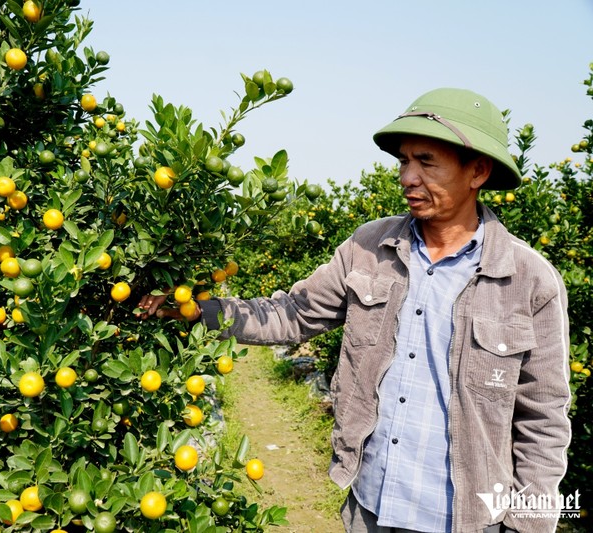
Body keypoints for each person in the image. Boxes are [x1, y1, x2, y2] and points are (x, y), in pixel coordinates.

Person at [139, 88, 571, 533]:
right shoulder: (370, 247)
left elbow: (543, 419)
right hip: (371, 507)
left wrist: (529, 524)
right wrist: (199, 312)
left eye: (426, 161)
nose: (407, 177)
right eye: (404, 161)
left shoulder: (529, 281)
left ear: (477, 171)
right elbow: (293, 313)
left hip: (468, 520)